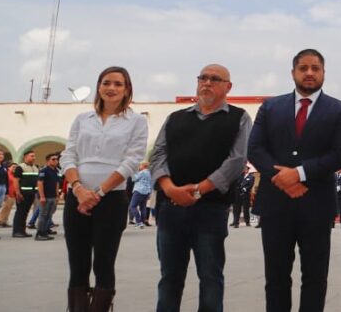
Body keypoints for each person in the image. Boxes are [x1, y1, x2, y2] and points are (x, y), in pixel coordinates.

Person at [248, 49, 341, 312]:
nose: (309, 73)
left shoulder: (339, 110)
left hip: (316, 207)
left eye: (315, 68)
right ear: (293, 72)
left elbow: (339, 155)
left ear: (323, 73)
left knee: (315, 278)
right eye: (303, 68)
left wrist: (299, 173)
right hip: (275, 205)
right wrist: (281, 178)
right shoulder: (270, 107)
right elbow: (256, 149)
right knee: (276, 278)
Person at [149, 64, 252, 312]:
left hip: (210, 210)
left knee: (210, 277)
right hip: (171, 209)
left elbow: (237, 160)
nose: (207, 83)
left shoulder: (238, 118)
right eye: (203, 78)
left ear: (228, 87)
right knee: (170, 278)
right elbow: (158, 154)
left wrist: (199, 190)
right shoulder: (175, 118)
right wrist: (169, 187)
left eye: (215, 79)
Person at [59, 66, 149, 311]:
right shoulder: (82, 119)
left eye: (118, 84)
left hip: (111, 199)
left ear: (127, 89)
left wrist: (97, 193)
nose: (111, 88)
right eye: (106, 82)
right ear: (98, 86)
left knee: (103, 264)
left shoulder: (137, 121)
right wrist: (78, 189)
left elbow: (131, 161)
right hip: (76, 197)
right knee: (77, 264)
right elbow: (68, 155)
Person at [10, 150, 40, 237]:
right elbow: (16, 181)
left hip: (31, 193)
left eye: (34, 156)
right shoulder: (20, 167)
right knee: (20, 212)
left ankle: (22, 231)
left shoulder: (35, 167)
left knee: (25, 212)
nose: (34, 158)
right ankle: (16, 231)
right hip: (23, 193)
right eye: (31, 156)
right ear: (25, 157)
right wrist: (18, 193)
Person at [35, 153, 62, 240]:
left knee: (49, 215)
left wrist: (57, 195)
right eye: (53, 159)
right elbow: (40, 183)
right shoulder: (44, 170)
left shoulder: (56, 171)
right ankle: (39, 233)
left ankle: (45, 231)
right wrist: (42, 196)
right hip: (45, 197)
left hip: (53, 196)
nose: (55, 161)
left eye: (56, 159)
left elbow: (57, 183)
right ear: (47, 161)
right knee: (43, 215)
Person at [129, 162, 153, 227]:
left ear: (143, 166)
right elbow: (151, 183)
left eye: (140, 165)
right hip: (146, 191)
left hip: (139, 190)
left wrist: (133, 172)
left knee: (132, 206)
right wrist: (150, 192)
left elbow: (134, 179)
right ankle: (142, 221)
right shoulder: (149, 173)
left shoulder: (142, 172)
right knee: (143, 207)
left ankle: (139, 221)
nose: (139, 167)